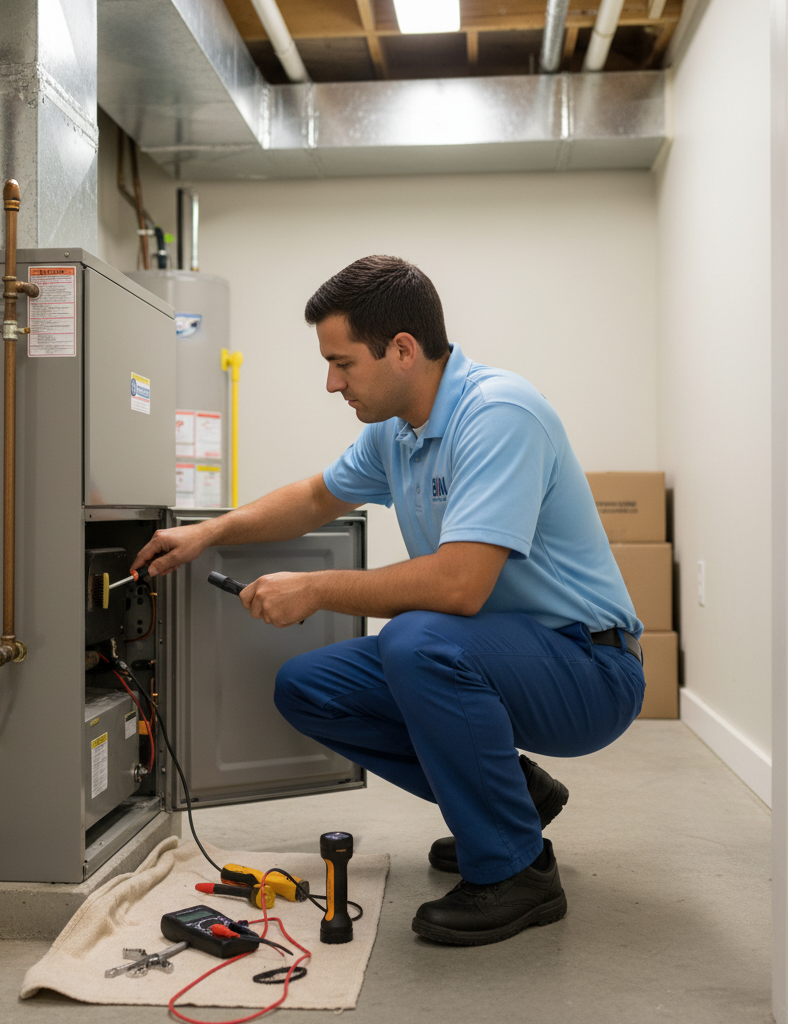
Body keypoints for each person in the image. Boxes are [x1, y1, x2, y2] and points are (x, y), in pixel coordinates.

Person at [132, 255, 645, 947]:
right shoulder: (396, 431)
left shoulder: (497, 414)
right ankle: (513, 805)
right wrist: (208, 533)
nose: (330, 382)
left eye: (342, 363)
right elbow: (316, 497)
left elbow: (459, 586)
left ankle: (518, 871)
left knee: (418, 639)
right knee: (309, 686)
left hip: (588, 668)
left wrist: (315, 588)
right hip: (494, 652)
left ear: (403, 350)